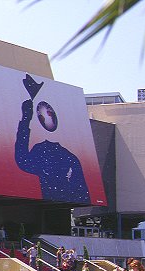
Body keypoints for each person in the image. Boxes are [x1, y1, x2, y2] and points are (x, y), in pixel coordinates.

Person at [15, 75, 90, 204]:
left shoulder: (66, 157)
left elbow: (22, 159)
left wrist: (26, 119)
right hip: (52, 201)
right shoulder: (48, 151)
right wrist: (26, 119)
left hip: (57, 201)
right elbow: (22, 160)